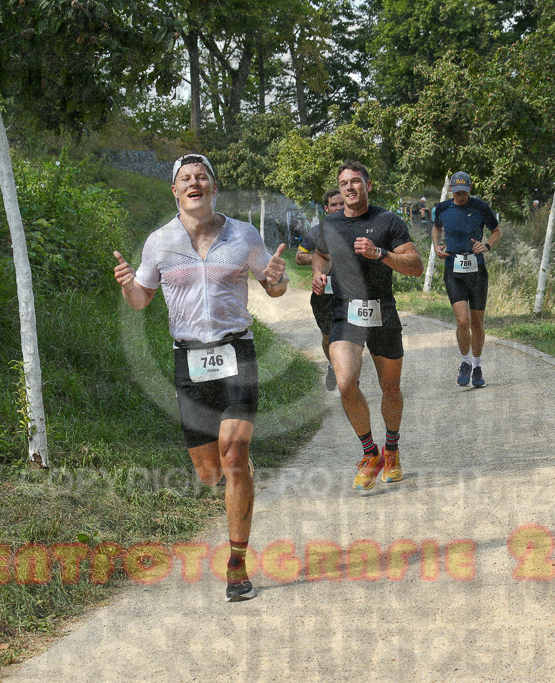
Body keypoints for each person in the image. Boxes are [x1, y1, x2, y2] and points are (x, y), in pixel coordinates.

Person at [113, 154, 288, 602]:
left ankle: (236, 563)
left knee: (233, 453)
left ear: (213, 187)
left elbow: (274, 285)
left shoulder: (242, 234)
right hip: (188, 360)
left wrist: (275, 280)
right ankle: (238, 473)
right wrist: (129, 285)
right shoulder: (160, 242)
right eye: (185, 179)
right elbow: (141, 301)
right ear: (175, 191)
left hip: (236, 351)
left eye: (202, 177)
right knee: (210, 472)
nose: (194, 183)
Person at [312, 161, 425, 491]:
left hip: (382, 312)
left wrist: (380, 253)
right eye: (344, 182)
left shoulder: (387, 221)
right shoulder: (329, 224)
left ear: (368, 185)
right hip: (345, 313)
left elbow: (416, 266)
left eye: (356, 181)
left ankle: (392, 450)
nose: (349, 187)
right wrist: (319, 275)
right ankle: (370, 453)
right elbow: (319, 254)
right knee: (346, 383)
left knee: (390, 389)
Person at [431, 171, 502, 388]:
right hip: (453, 268)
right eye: (456, 192)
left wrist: (487, 245)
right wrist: (436, 246)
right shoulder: (442, 208)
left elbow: (496, 231)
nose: (460, 196)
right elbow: (436, 228)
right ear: (452, 190)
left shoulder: (480, 207)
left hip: (477, 270)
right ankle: (465, 362)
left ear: (470, 189)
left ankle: (477, 365)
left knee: (477, 322)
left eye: (464, 192)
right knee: (463, 321)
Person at [295, 188, 345, 391]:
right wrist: (324, 259)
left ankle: (350, 380)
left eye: (342, 203)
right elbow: (299, 257)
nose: (339, 208)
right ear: (326, 208)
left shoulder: (358, 229)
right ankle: (333, 365)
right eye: (334, 204)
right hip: (325, 294)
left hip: (351, 293)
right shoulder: (317, 232)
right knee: (328, 336)